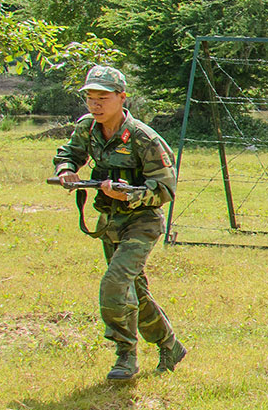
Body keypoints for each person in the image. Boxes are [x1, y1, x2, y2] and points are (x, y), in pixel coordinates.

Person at [52, 65, 186, 381]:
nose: (95, 105)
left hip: (142, 221)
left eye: (103, 97)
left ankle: (125, 356)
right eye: (90, 98)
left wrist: (128, 194)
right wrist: (66, 170)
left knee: (114, 284)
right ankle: (169, 343)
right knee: (134, 292)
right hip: (110, 221)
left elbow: (166, 190)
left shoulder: (143, 138)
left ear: (122, 98)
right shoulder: (87, 128)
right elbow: (68, 154)